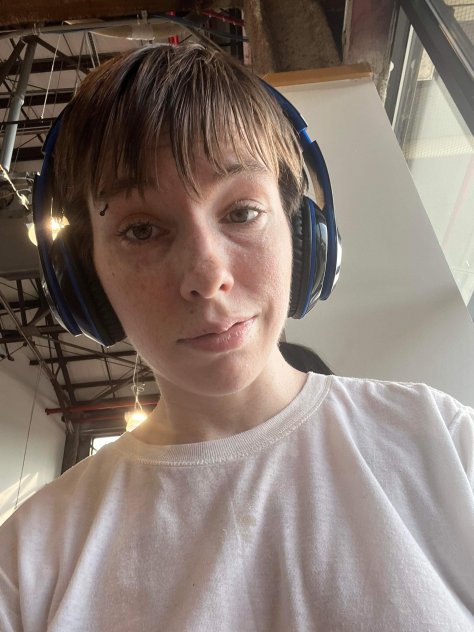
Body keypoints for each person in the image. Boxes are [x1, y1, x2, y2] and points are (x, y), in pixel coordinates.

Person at [0, 43, 473, 632]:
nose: (207, 276)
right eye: (141, 230)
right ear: (85, 276)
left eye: (242, 212)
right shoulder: (27, 563)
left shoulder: (442, 442)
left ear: (301, 233)